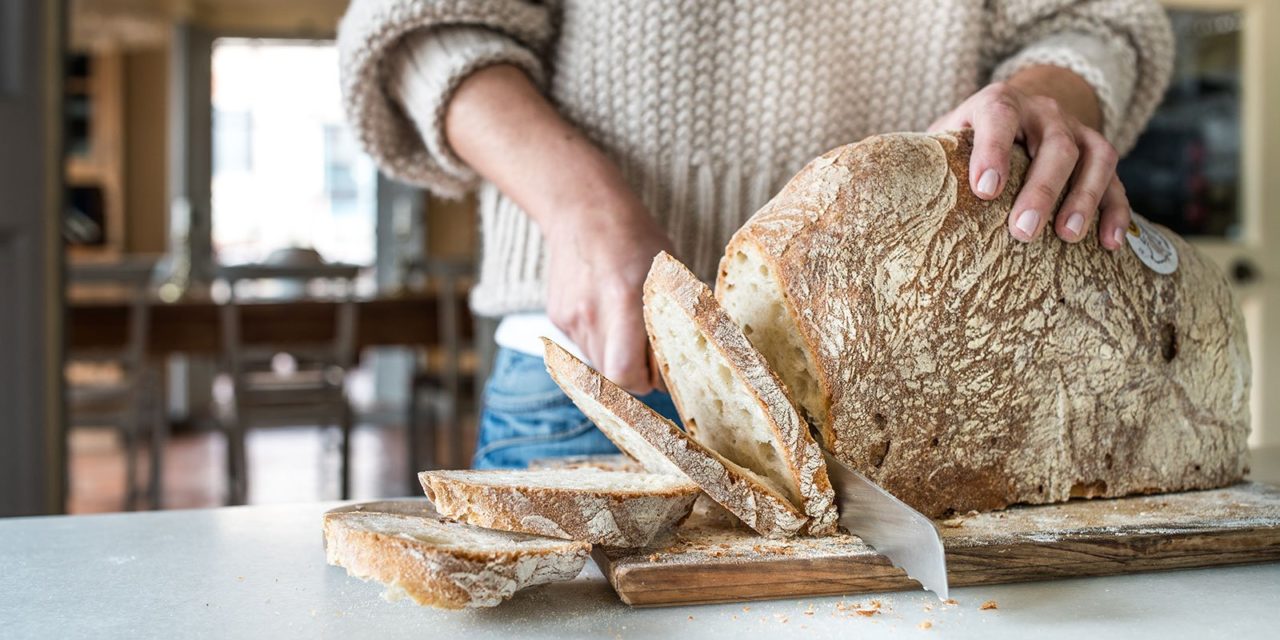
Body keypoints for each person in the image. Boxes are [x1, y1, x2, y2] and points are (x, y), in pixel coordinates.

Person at [337, 0, 1173, 469]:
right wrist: (583, 211)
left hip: (923, 388)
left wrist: (1039, 94)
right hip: (608, 380)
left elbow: (1098, 22)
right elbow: (423, 23)